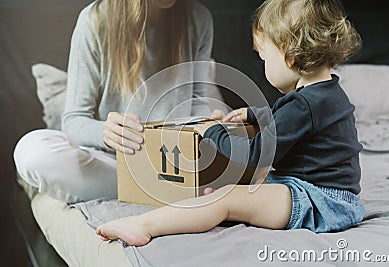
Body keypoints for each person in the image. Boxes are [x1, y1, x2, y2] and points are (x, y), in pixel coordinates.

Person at [95, 0, 365, 247]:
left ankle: (143, 225)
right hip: (336, 199)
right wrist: (256, 115)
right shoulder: (327, 94)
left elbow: (255, 153)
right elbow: (296, 124)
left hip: (316, 201)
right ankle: (220, 207)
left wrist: (213, 133)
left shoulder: (303, 105)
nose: (264, 65)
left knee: (225, 198)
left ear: (290, 56)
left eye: (264, 57)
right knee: (236, 192)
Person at [13, 0, 219, 203]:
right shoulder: (94, 20)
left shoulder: (198, 18)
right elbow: (74, 120)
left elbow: (197, 100)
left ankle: (160, 190)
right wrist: (106, 132)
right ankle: (161, 191)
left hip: (174, 161)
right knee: (31, 152)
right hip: (115, 161)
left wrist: (210, 125)